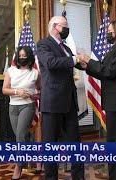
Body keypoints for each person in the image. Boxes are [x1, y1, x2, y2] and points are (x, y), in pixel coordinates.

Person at [78, 19, 116, 180]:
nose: (108, 34)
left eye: (110, 31)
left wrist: (89, 61)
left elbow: (109, 71)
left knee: (114, 143)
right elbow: (104, 70)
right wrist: (85, 65)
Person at [36, 16, 85, 180]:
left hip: (70, 102)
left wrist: (87, 61)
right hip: (52, 102)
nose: (67, 28)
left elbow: (78, 64)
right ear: (54, 26)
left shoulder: (66, 48)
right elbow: (51, 63)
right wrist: (74, 59)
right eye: (65, 26)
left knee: (76, 145)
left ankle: (79, 177)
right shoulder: (43, 44)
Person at [2, 46, 41, 180]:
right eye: (20, 55)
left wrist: (34, 95)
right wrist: (17, 92)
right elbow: (4, 90)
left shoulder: (35, 73)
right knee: (21, 136)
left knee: (20, 135)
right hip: (13, 107)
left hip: (27, 106)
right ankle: (33, 158)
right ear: (17, 57)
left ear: (29, 57)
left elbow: (40, 92)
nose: (22, 58)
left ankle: (18, 166)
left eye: (25, 55)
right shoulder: (10, 71)